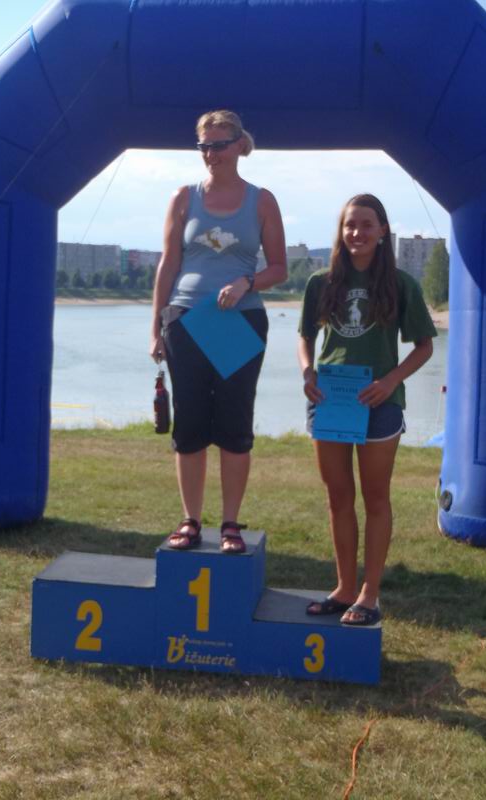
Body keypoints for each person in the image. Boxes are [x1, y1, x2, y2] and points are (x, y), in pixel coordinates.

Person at [150, 110, 287, 553]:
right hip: (186, 318)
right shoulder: (183, 197)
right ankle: (190, 520)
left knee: (233, 422)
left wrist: (247, 282)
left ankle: (230, 524)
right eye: (204, 146)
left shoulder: (261, 201)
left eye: (219, 145)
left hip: (238, 319)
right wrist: (156, 328)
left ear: (240, 145)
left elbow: (279, 268)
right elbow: (168, 264)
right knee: (189, 422)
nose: (211, 154)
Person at [297, 194, 436, 625]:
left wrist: (391, 380)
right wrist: (307, 372)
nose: (357, 232)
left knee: (376, 498)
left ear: (382, 231)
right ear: (341, 231)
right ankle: (344, 588)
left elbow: (425, 346)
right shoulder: (320, 282)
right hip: (331, 401)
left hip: (379, 402)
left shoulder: (401, 283)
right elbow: (305, 337)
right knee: (338, 498)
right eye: (350, 225)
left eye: (366, 225)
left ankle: (369, 595)